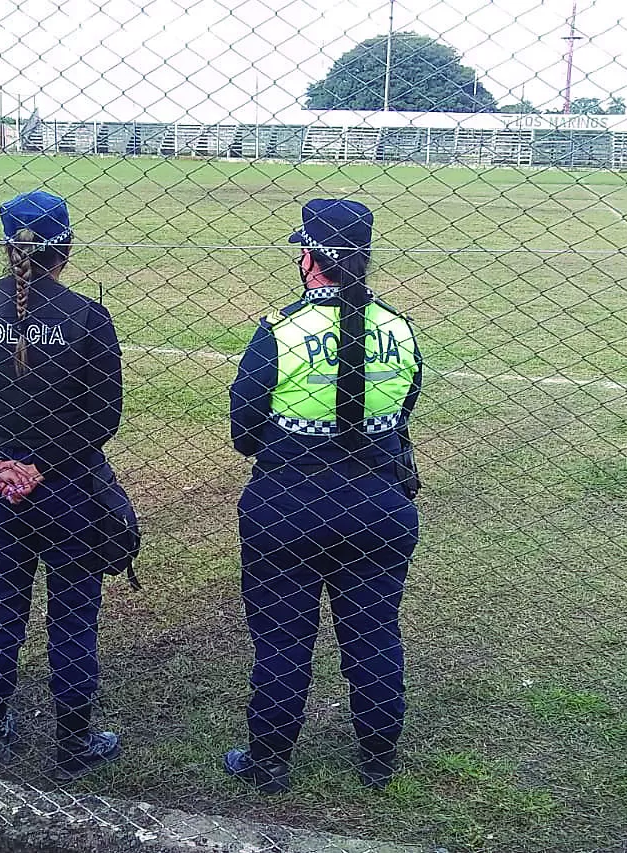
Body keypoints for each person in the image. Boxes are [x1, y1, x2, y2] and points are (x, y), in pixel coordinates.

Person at [226, 199, 423, 793]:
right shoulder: (398, 327)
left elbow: (243, 427)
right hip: (379, 504)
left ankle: (269, 762)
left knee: (283, 639)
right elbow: (404, 410)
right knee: (374, 633)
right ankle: (379, 758)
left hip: (288, 505)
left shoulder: (280, 330)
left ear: (310, 259)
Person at [0, 189, 124, 780]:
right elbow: (104, 413)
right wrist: (40, 462)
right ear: (65, 247)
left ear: (4, 244)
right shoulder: (87, 316)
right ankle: (74, 742)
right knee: (73, 616)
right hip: (70, 491)